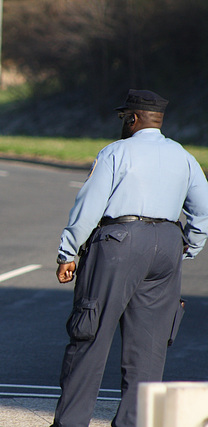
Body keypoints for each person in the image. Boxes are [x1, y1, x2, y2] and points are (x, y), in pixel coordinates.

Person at [51, 89, 208, 426]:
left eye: (124, 117)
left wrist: (68, 252)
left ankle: (71, 422)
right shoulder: (183, 156)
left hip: (120, 241)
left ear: (133, 118)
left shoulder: (115, 152)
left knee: (89, 336)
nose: (122, 123)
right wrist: (190, 246)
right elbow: (203, 209)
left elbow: (88, 207)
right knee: (149, 350)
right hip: (167, 244)